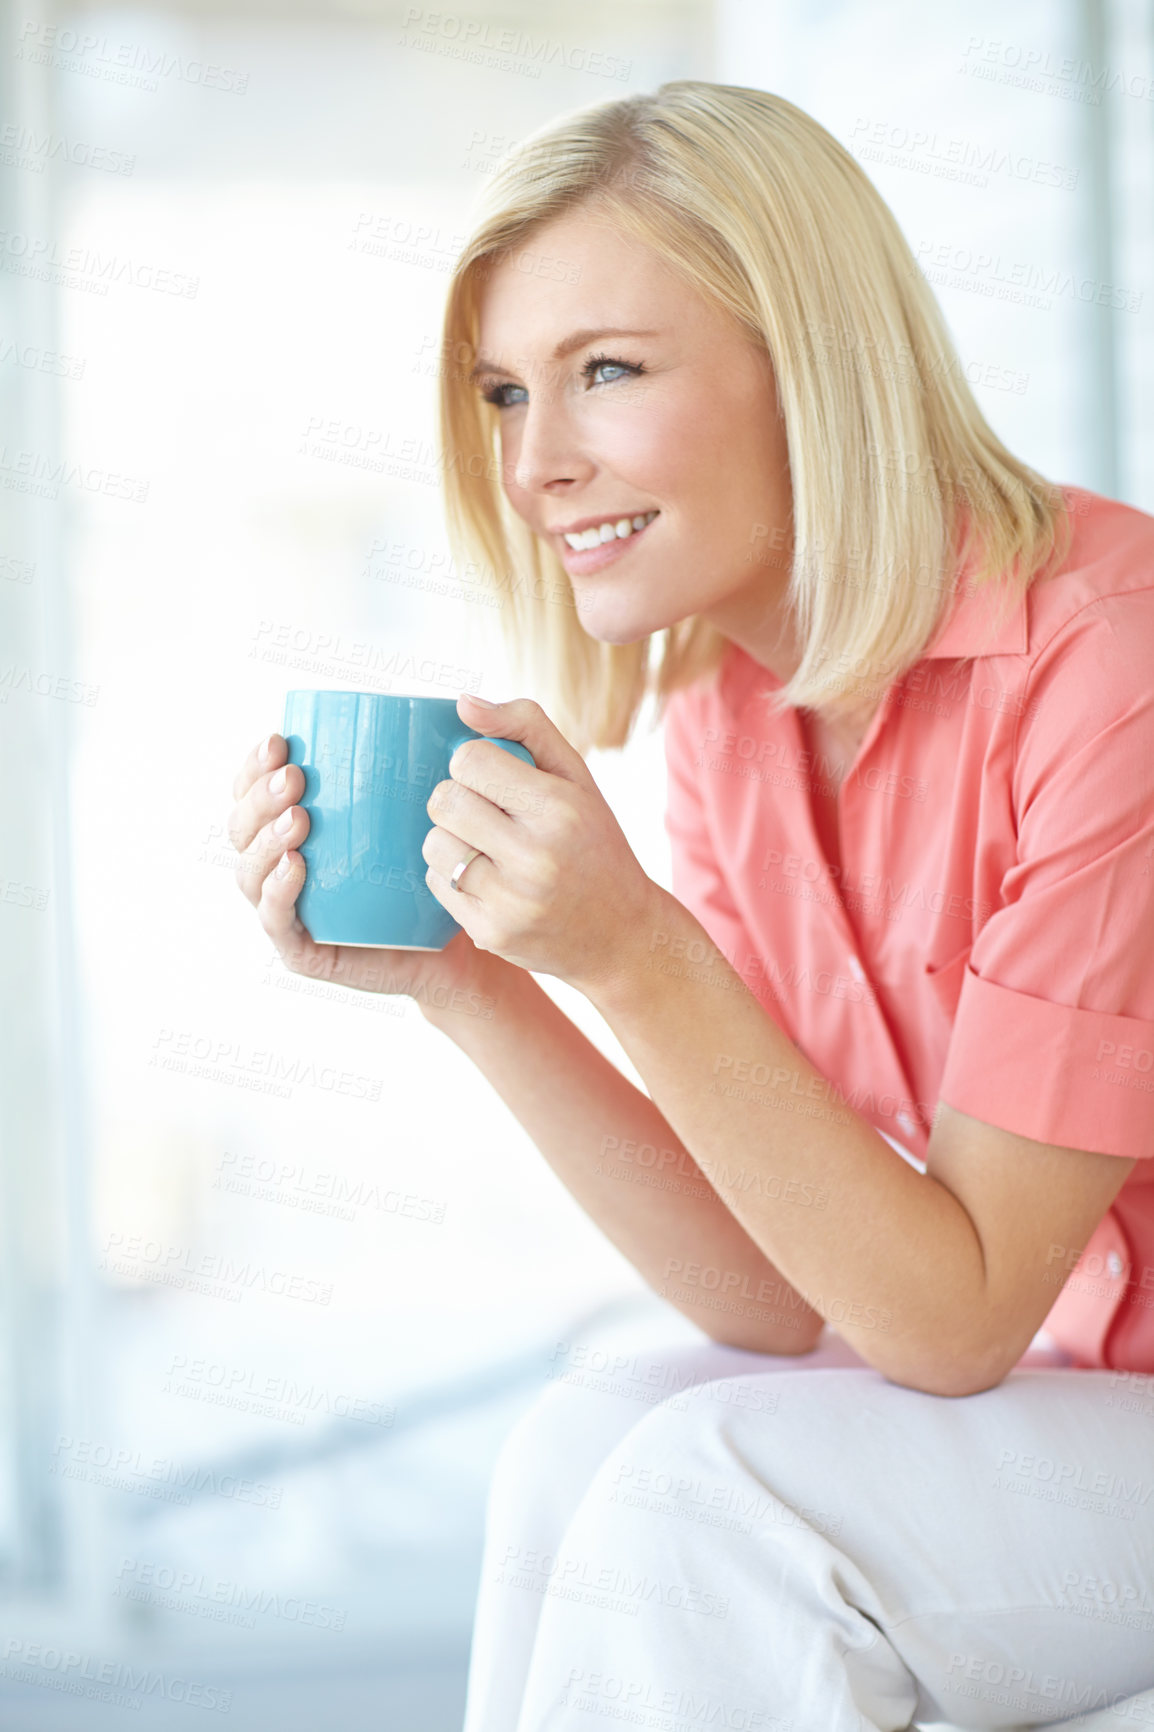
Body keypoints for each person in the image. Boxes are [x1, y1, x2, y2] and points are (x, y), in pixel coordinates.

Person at [228, 82, 1154, 1732]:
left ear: (811, 362)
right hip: (1063, 1407)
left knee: (708, 1497)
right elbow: (771, 1292)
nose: (533, 464)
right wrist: (473, 982)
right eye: (506, 393)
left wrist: (635, 949)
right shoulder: (734, 715)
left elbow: (947, 1322)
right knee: (589, 1433)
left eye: (606, 371)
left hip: (1090, 1399)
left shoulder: (1114, 661)